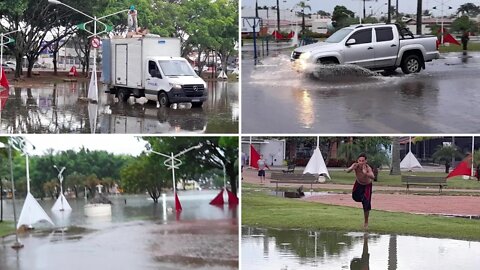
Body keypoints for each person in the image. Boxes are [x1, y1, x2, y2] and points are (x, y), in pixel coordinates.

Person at [346, 153, 375, 230]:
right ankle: (362, 198)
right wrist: (352, 168)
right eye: (360, 160)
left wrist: (366, 173)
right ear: (357, 161)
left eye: (363, 161)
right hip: (358, 184)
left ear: (366, 161)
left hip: (367, 186)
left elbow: (373, 176)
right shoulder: (356, 166)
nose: (361, 162)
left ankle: (366, 222)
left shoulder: (367, 168)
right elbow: (347, 171)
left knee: (366, 204)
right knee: (354, 197)